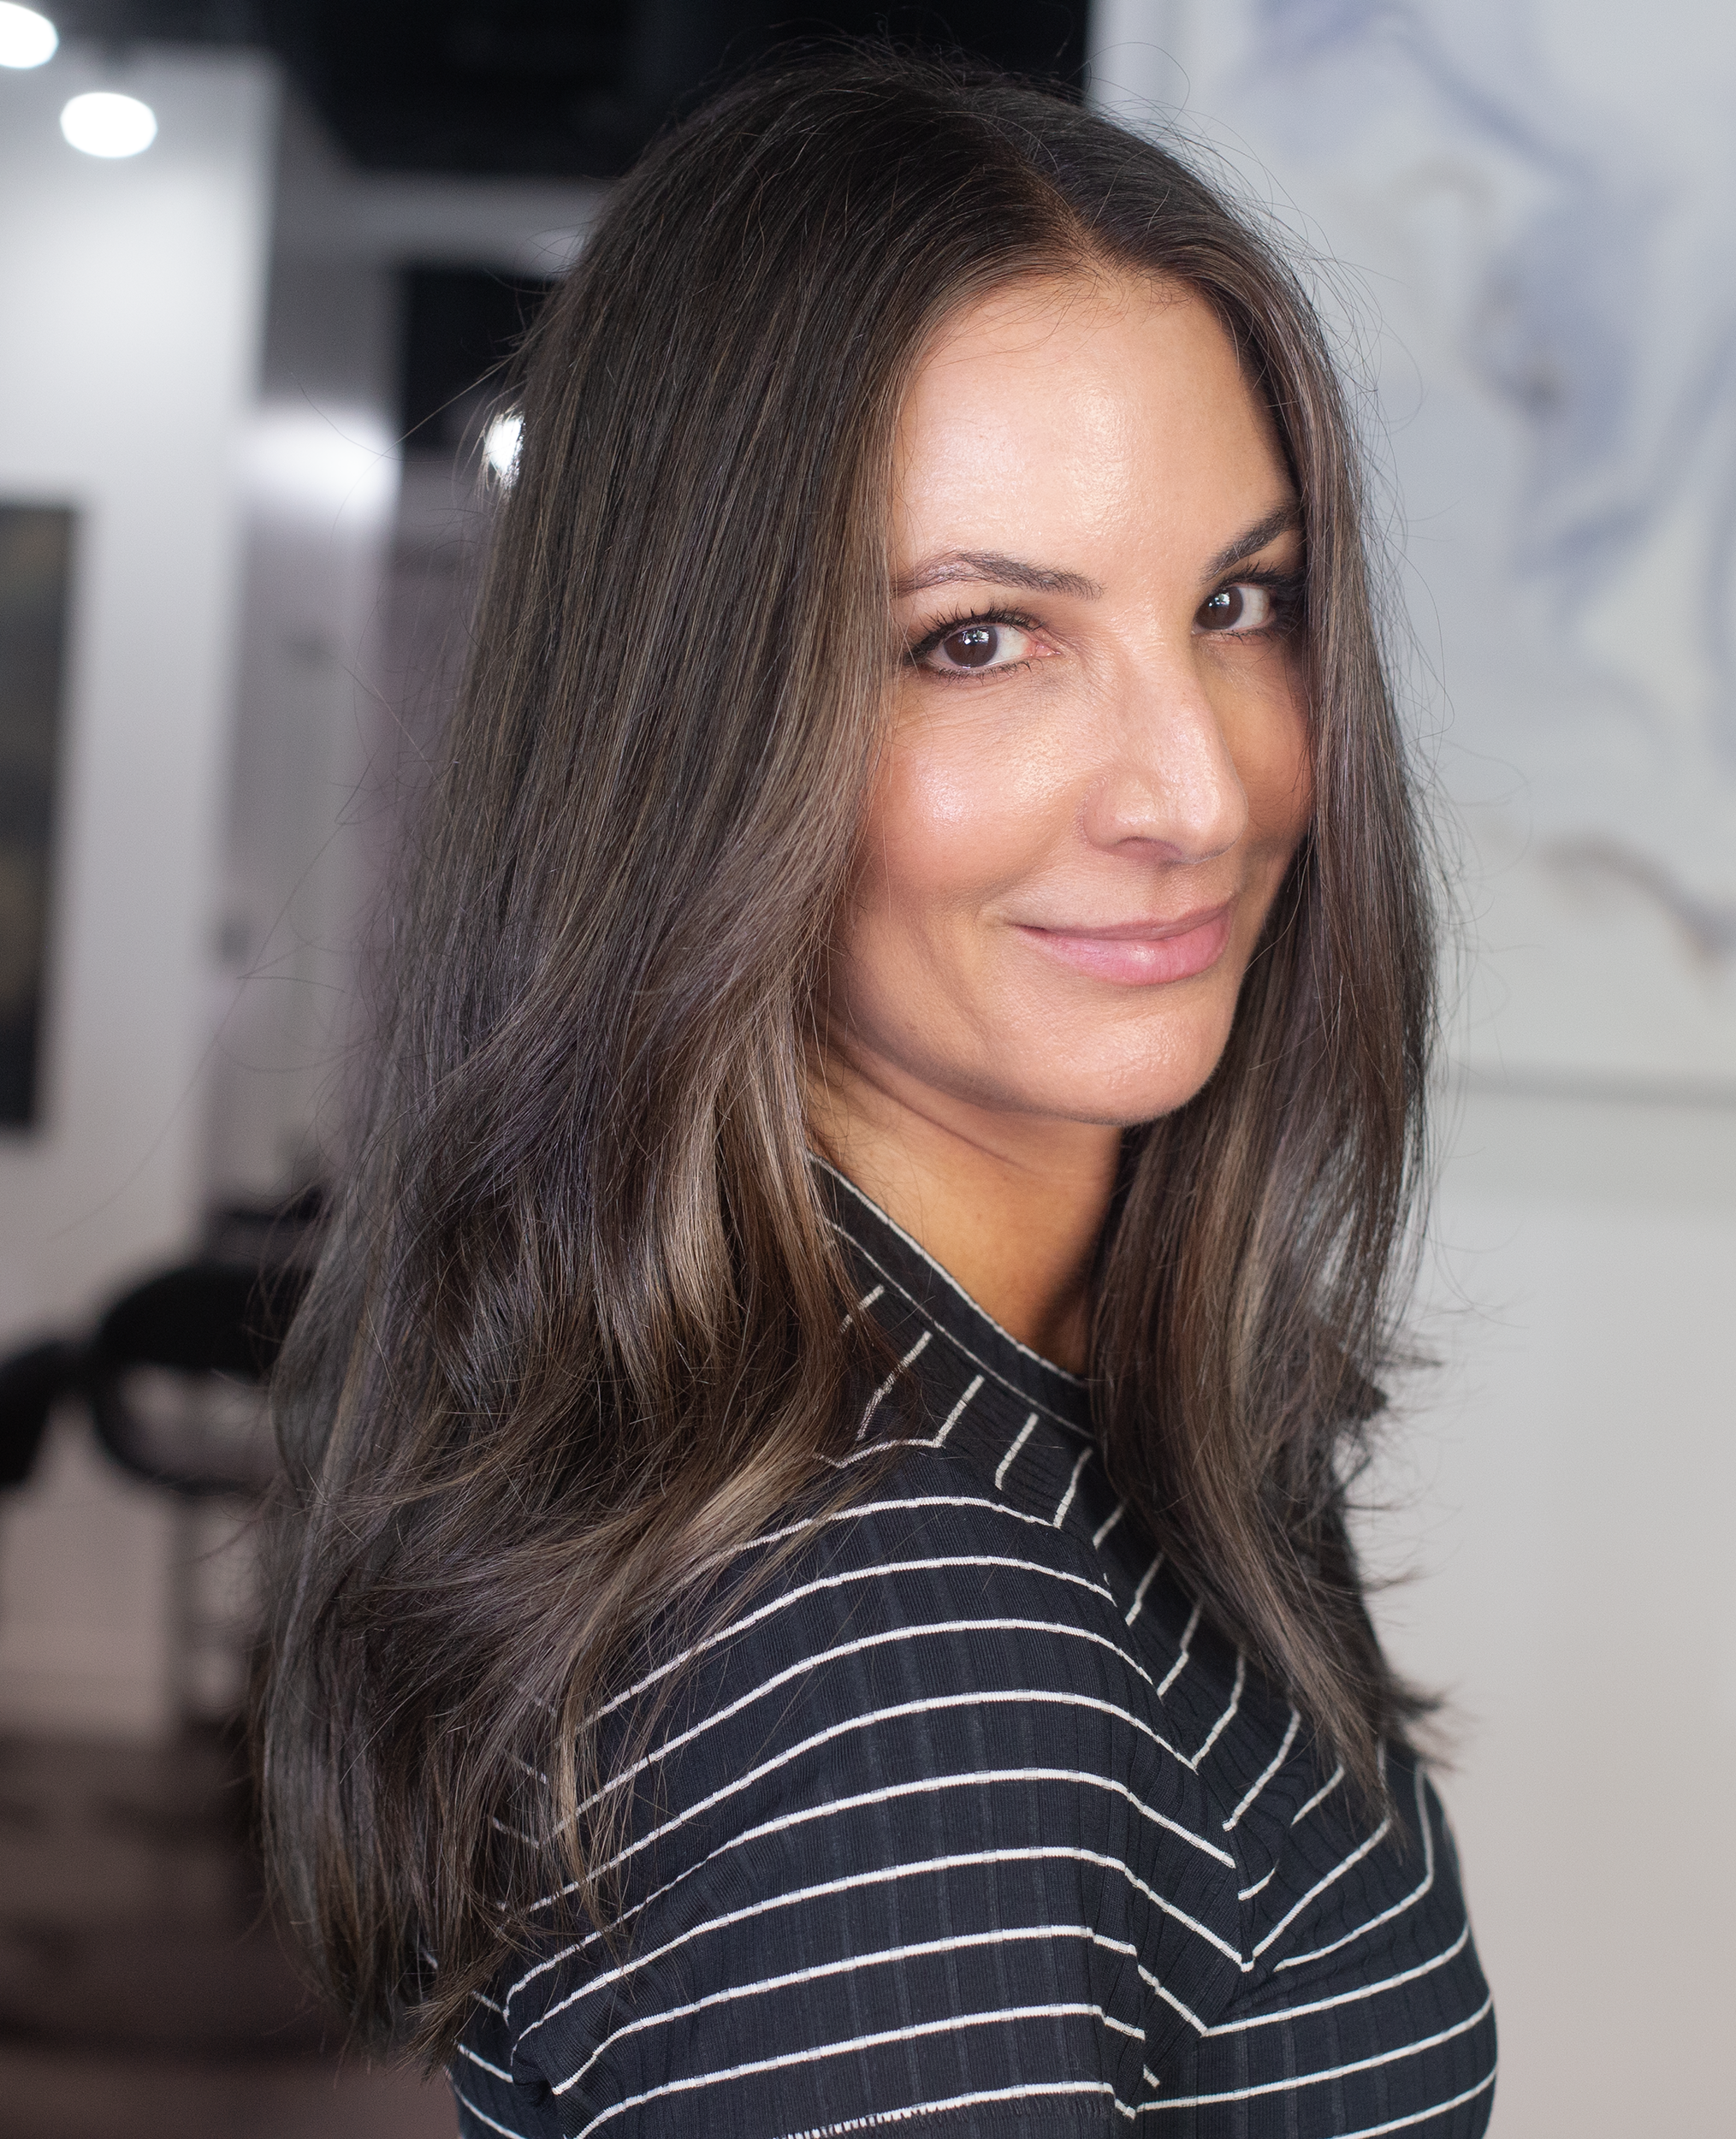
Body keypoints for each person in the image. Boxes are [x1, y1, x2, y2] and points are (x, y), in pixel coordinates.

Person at [255, 49, 1496, 2139]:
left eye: (1237, 604)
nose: (1195, 790)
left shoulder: (1107, 1393)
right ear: (694, 731)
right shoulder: (891, 1660)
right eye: (981, 638)